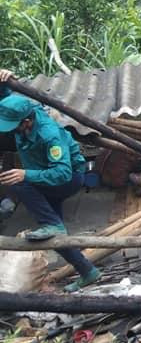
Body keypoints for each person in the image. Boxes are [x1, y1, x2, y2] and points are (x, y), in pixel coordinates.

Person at [0, 69, 101, 292]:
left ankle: (52, 225)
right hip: (45, 178)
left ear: (27, 122)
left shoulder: (49, 135)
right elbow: (7, 100)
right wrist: (4, 81)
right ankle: (88, 271)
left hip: (69, 178)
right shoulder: (26, 112)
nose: (11, 130)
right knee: (54, 234)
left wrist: (27, 174)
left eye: (14, 126)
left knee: (19, 181)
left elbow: (63, 173)